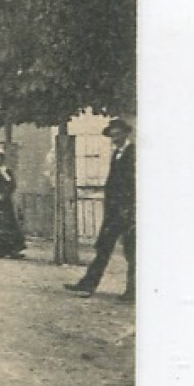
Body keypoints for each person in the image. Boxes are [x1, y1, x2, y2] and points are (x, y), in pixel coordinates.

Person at [65, 118, 137, 302]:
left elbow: (133, 185)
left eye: (118, 133)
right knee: (103, 249)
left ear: (125, 133)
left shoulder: (133, 154)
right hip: (113, 211)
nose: (114, 137)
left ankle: (133, 291)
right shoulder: (116, 154)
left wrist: (130, 210)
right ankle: (88, 283)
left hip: (127, 212)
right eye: (112, 134)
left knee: (132, 252)